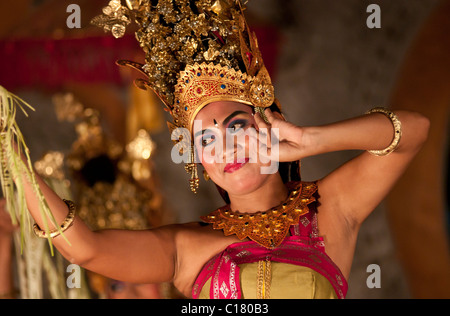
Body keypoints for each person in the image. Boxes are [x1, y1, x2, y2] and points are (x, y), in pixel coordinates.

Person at [0, 0, 429, 299]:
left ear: (270, 126)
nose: (225, 148)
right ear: (201, 164)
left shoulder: (330, 211)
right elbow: (85, 248)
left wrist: (314, 140)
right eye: (206, 139)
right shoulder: (185, 249)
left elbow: (415, 130)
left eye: (236, 127)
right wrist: (8, 152)